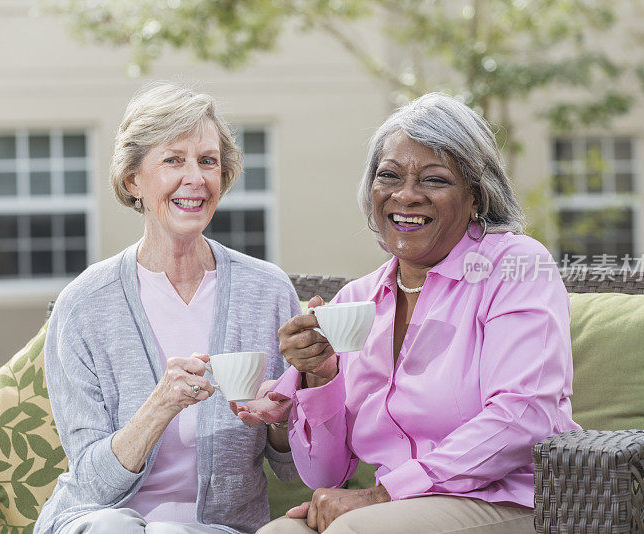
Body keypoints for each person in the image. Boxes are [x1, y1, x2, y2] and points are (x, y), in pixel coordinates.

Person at [241, 93, 580, 533]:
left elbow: (524, 415)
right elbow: (323, 475)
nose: (406, 195)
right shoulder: (356, 302)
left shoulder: (514, 266)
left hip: (514, 501)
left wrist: (382, 495)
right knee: (278, 533)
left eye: (434, 180)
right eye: (389, 176)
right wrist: (321, 377)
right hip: (396, 509)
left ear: (476, 196)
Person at [34, 82, 299, 534]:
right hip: (99, 523)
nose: (194, 178)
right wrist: (160, 406)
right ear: (133, 178)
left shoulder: (267, 292)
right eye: (173, 159)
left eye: (208, 161)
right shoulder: (84, 305)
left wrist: (281, 419)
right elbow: (92, 485)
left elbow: (295, 471)